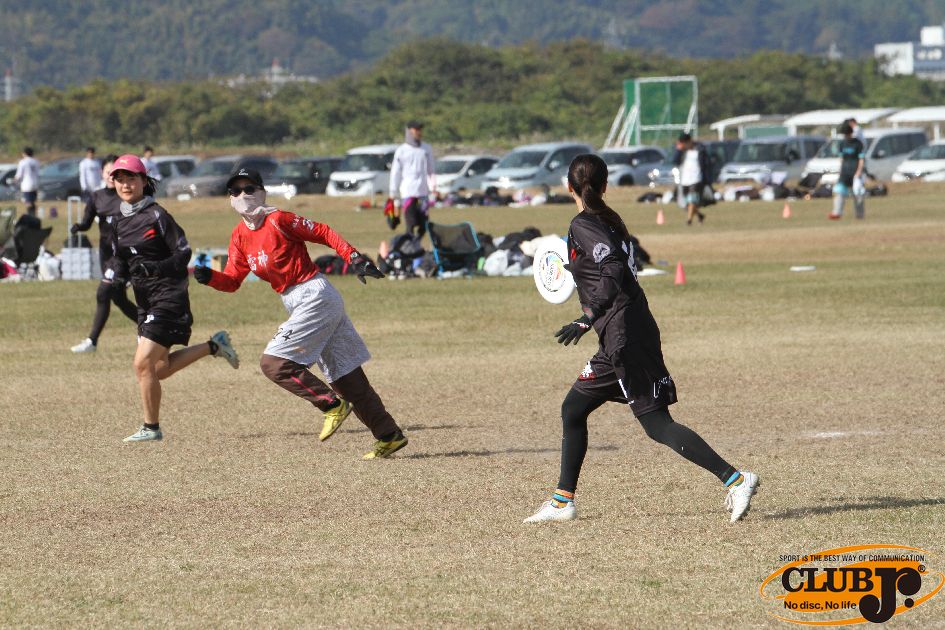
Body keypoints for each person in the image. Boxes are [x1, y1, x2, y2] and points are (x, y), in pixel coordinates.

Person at [524, 154, 759, 524]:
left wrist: (587, 317)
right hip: (622, 333)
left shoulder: (584, 223)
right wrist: (576, 270)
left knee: (656, 423)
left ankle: (737, 480)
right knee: (574, 409)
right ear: (604, 186)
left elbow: (613, 268)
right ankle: (561, 502)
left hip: (624, 336)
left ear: (568, 187)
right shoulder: (608, 219)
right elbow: (606, 265)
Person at [194, 167, 408, 459]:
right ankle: (389, 435)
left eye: (249, 189)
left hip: (314, 294)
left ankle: (331, 405)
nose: (243, 195)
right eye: (236, 191)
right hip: (298, 300)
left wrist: (354, 257)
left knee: (274, 364)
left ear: (262, 192)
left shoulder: (280, 219)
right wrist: (209, 277)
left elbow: (323, 231)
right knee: (344, 377)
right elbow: (232, 281)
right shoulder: (239, 236)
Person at [106, 154, 240, 443]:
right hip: (145, 302)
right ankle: (214, 345)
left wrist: (156, 268)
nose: (126, 184)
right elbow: (119, 258)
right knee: (159, 369)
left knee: (142, 364)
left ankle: (151, 428)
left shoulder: (157, 215)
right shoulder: (116, 221)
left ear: (144, 181)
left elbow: (183, 253)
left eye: (131, 178)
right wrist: (114, 280)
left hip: (169, 297)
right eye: (120, 179)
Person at [70, 154, 138, 353]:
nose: (111, 176)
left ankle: (92, 341)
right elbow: (87, 222)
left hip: (123, 257)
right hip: (106, 255)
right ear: (102, 173)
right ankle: (150, 329)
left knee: (103, 292)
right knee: (119, 299)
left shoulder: (127, 196)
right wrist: (79, 227)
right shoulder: (97, 197)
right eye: (108, 172)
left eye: (115, 173)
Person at [389, 120, 435, 239]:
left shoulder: (426, 149)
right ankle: (410, 246)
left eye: (420, 129)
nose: (419, 132)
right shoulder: (402, 151)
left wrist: (433, 187)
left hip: (423, 192)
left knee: (423, 225)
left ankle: (416, 243)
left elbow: (431, 170)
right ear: (409, 131)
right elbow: (395, 173)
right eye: (416, 129)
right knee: (411, 223)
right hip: (408, 192)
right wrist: (393, 192)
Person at [828, 122, 866, 220]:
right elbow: (841, 159)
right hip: (844, 172)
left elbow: (861, 159)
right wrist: (840, 171)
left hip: (855, 172)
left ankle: (860, 215)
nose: (845, 136)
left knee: (857, 193)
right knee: (839, 191)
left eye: (846, 134)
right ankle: (837, 213)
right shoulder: (842, 144)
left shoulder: (858, 144)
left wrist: (859, 172)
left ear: (850, 133)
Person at [672, 133, 710, 225]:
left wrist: (706, 178)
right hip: (685, 180)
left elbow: (706, 164)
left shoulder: (699, 149)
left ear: (689, 141)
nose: (684, 145)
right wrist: (678, 150)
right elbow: (675, 161)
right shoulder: (683, 152)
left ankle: (689, 220)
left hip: (696, 179)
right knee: (686, 203)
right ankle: (700, 215)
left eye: (684, 143)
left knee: (692, 200)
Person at [14, 147, 40, 216]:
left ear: (25, 153)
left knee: (28, 202)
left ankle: (30, 215)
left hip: (27, 184)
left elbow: (19, 174)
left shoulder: (23, 162)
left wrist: (15, 179)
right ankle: (33, 215)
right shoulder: (36, 161)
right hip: (35, 183)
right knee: (32, 201)